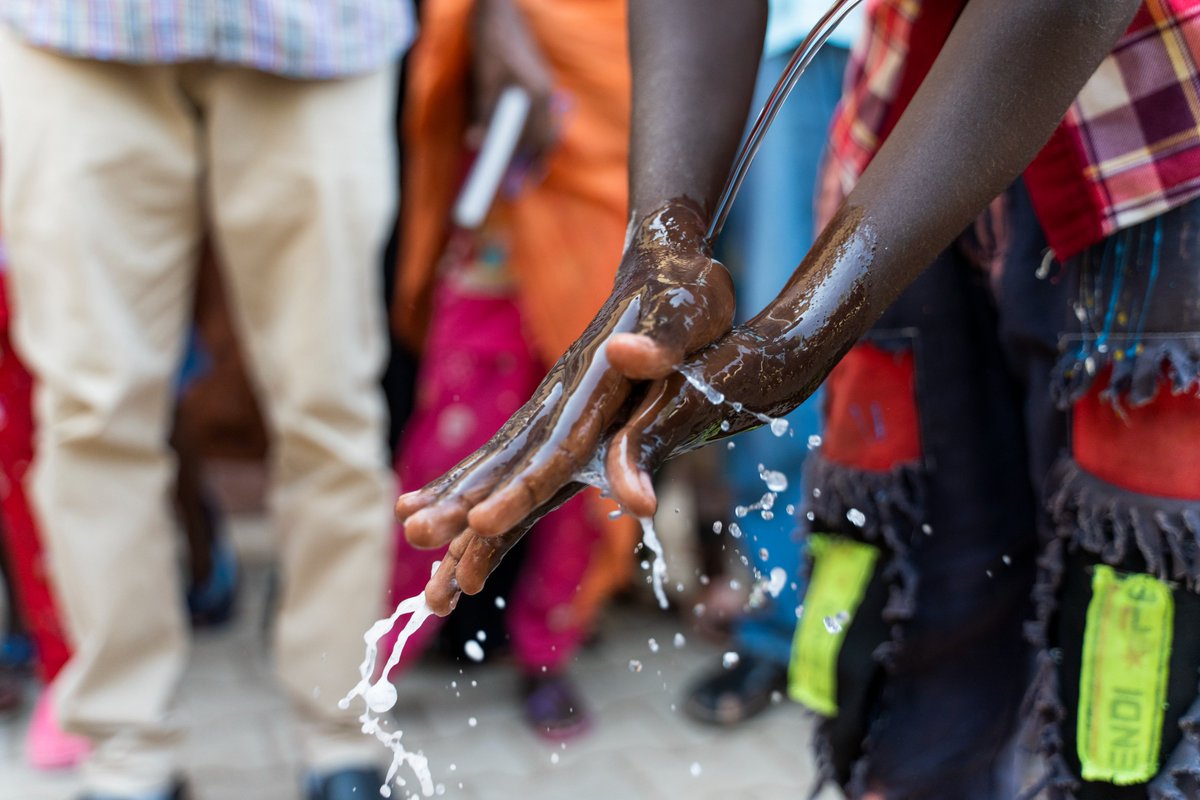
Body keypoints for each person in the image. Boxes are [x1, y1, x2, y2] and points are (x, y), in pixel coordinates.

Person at [396, 0, 1200, 796]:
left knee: (1134, 676)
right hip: (900, 130)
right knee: (904, 649)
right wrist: (660, 249)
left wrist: (805, 329)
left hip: (1158, 148)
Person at [0, 2, 412, 798]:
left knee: (332, 407)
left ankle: (341, 740)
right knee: (91, 413)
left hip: (321, 34)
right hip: (77, 33)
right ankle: (125, 751)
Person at [387, 0, 636, 740]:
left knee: (586, 438)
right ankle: (386, 648)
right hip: (503, 198)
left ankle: (547, 653)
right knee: (450, 446)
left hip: (610, 184)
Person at [682, 0, 860, 727]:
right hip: (795, 38)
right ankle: (785, 621)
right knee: (780, 338)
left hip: (953, 42)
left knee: (933, 341)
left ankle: (918, 616)